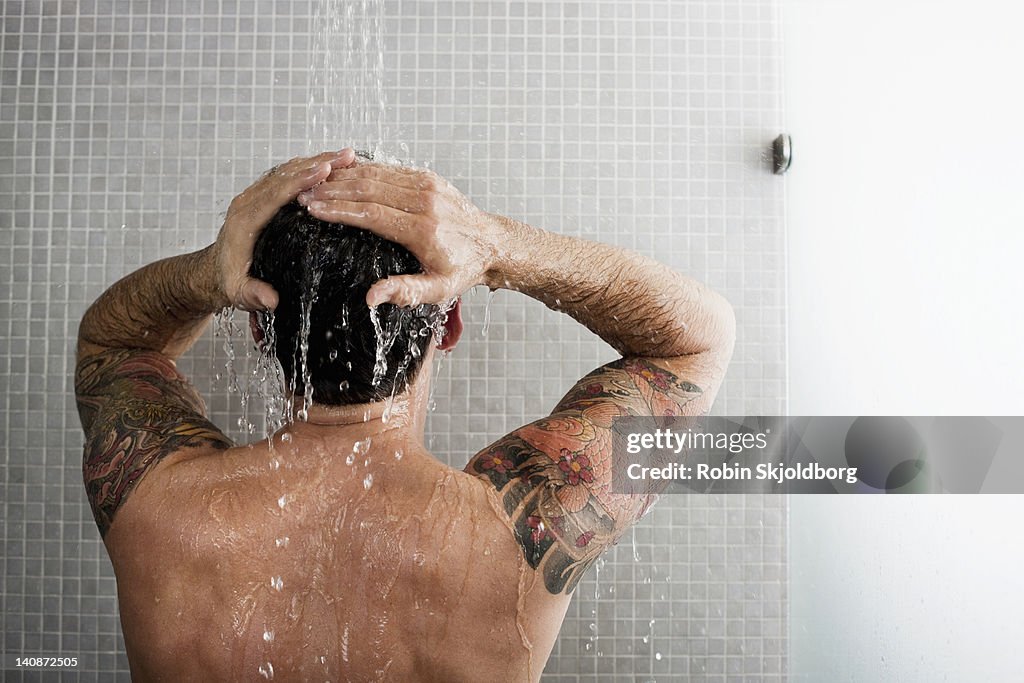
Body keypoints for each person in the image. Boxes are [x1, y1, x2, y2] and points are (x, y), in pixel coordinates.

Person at [75, 148, 735, 681]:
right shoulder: (526, 528)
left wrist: (206, 273)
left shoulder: (159, 505)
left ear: (256, 329)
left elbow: (115, 342)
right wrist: (497, 247)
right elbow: (698, 339)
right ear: (447, 324)